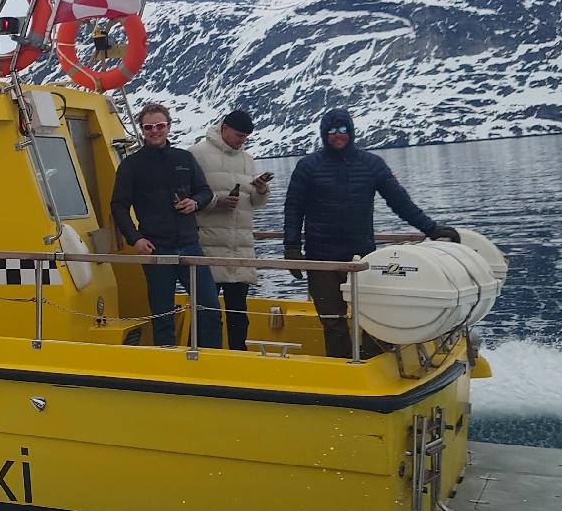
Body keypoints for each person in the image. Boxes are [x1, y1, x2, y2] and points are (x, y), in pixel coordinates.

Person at [283, 107, 460, 359]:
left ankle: (375, 368)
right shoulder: (307, 167)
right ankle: (342, 372)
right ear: (324, 134)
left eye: (343, 129)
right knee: (333, 322)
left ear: (351, 132)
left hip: (363, 258)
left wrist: (430, 229)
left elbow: (400, 201)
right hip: (321, 258)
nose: (337, 135)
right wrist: (291, 248)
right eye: (331, 131)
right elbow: (293, 209)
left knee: (375, 318)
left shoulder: (372, 164)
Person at [110, 103, 219, 347]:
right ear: (142, 130)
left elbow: (205, 191)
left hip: (191, 247)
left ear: (168, 127)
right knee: (162, 315)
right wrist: (135, 238)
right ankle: (167, 362)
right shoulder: (131, 166)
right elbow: (118, 206)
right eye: (149, 127)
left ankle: (212, 360)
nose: (155, 131)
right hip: (157, 250)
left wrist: (195, 203)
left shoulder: (185, 158)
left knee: (210, 308)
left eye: (160, 125)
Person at [190, 109, 271, 351]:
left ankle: (238, 358)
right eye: (239, 135)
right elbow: (187, 198)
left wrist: (261, 190)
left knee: (239, 313)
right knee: (206, 312)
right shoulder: (196, 154)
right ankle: (201, 357)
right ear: (224, 128)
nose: (242, 141)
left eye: (246, 137)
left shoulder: (248, 159)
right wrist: (217, 201)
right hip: (207, 247)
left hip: (240, 249)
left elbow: (254, 204)